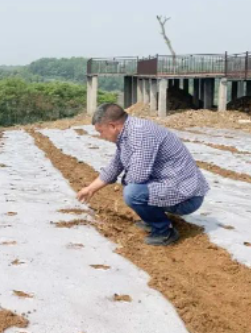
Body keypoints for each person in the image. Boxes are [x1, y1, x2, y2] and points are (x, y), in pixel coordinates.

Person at [77, 103, 209, 246]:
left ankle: (165, 231)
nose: (101, 136)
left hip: (187, 197)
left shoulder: (140, 134)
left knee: (133, 192)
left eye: (101, 131)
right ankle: (151, 220)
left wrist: (126, 184)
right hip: (173, 187)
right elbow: (115, 165)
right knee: (133, 189)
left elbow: (137, 176)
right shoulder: (127, 134)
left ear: (113, 126)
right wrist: (90, 189)